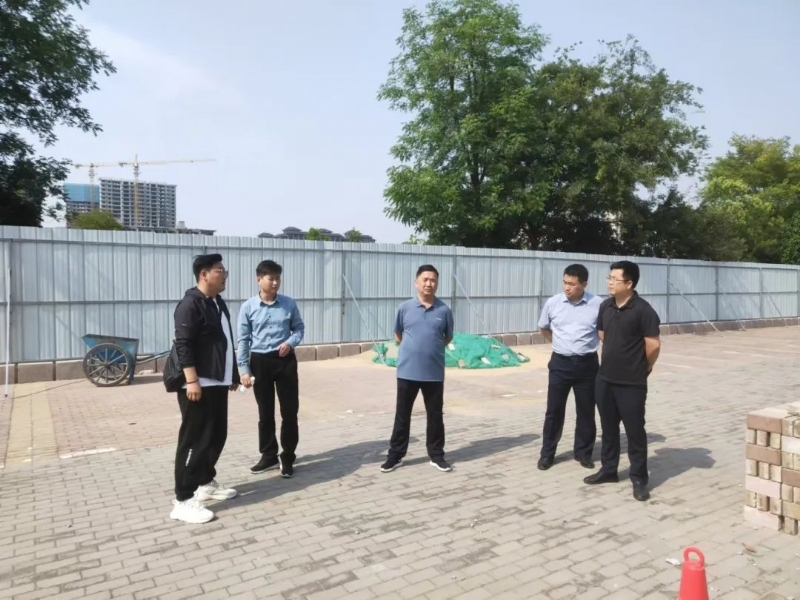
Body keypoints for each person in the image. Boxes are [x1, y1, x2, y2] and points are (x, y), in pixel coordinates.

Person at [170, 253, 240, 524]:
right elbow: (183, 344)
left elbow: (225, 341)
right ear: (204, 274)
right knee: (194, 440)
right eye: (220, 271)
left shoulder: (217, 302)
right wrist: (191, 380)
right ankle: (183, 499)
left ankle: (205, 482)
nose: (225, 276)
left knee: (216, 436)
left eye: (224, 271)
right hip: (198, 384)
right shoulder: (190, 304)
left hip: (217, 382)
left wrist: (232, 374)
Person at [584, 260, 661, 501]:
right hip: (605, 379)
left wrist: (644, 367)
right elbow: (602, 334)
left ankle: (639, 478)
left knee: (635, 431)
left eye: (614, 279)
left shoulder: (643, 310)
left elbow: (653, 345)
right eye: (609, 278)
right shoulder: (605, 306)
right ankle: (609, 470)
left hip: (631, 383)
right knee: (608, 428)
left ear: (629, 283)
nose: (609, 282)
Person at [381, 264, 454, 474]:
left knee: (435, 416)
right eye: (425, 279)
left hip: (434, 373)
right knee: (402, 415)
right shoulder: (404, 308)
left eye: (433, 280)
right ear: (416, 282)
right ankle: (395, 456)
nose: (429, 283)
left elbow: (448, 337)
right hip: (407, 372)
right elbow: (398, 335)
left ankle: (437, 456)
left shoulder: (444, 310)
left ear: (437, 284)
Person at [238, 260, 305, 479]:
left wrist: (290, 343)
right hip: (260, 362)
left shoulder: (288, 304)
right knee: (265, 412)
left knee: (290, 411)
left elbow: (299, 329)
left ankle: (288, 456)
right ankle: (269, 456)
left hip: (284, 361)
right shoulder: (248, 307)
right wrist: (244, 369)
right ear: (259, 279)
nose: (275, 283)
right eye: (271, 278)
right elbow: (243, 340)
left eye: (278, 278)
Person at [537, 264, 602, 471]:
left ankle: (583, 453)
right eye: (565, 282)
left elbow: (603, 332)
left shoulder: (598, 304)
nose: (567, 287)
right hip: (560, 364)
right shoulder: (553, 303)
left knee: (586, 411)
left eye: (572, 284)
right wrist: (560, 343)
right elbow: (543, 327)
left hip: (587, 365)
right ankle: (547, 455)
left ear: (584, 284)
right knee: (554, 411)